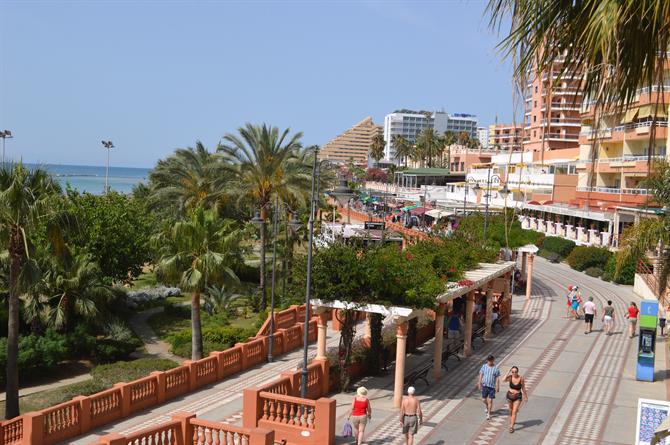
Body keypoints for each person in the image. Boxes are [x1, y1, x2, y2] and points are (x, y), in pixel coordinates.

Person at [503, 366, 528, 433]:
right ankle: (512, 420)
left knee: (514, 411)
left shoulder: (521, 378)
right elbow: (503, 380)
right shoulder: (510, 377)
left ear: (517, 372)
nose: (514, 373)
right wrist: (508, 371)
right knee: (510, 410)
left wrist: (525, 396)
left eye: (515, 372)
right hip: (509, 396)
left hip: (518, 396)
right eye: (512, 372)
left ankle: (511, 427)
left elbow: (523, 388)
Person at [477, 354, 501, 420]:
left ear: (493, 360)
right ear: (487, 360)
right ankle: (487, 406)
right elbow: (481, 374)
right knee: (484, 399)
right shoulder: (484, 366)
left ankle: (489, 414)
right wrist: (479, 383)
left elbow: (497, 378)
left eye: (491, 360)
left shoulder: (495, 368)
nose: (490, 361)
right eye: (489, 360)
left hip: (492, 387)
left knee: (490, 401)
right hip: (485, 386)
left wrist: (498, 386)